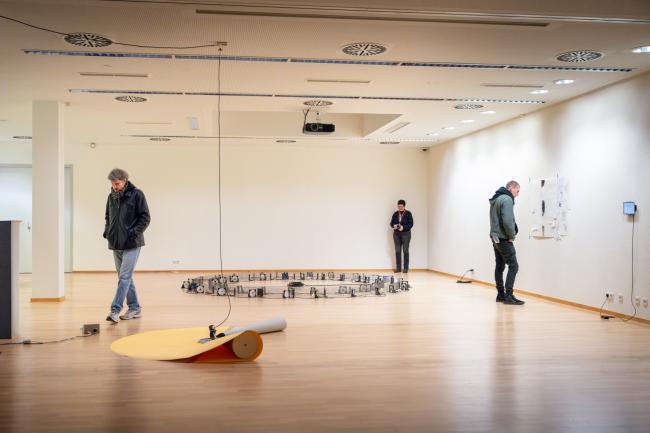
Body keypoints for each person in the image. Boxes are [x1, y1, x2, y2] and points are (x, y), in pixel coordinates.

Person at [104, 168, 151, 323]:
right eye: (112, 183)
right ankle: (135, 308)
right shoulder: (111, 197)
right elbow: (108, 216)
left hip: (132, 243)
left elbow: (145, 217)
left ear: (124, 180)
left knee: (124, 277)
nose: (114, 186)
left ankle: (115, 311)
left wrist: (132, 233)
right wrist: (107, 232)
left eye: (117, 183)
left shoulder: (137, 194)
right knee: (125, 277)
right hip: (115, 242)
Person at [489, 181, 524, 305]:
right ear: (510, 188)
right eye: (517, 191)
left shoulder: (496, 198)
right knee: (514, 266)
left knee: (500, 266)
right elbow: (508, 220)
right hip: (504, 238)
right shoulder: (507, 199)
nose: (518, 194)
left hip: (494, 237)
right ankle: (508, 295)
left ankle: (501, 295)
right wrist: (511, 236)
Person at [390, 199, 414, 273]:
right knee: (397, 251)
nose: (399, 208)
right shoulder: (395, 213)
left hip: (406, 234)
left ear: (404, 206)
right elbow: (391, 223)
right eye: (398, 206)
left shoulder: (408, 213)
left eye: (401, 206)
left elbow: (411, 224)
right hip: (396, 234)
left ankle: (406, 268)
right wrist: (395, 225)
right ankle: (398, 268)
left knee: (405, 251)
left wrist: (403, 227)